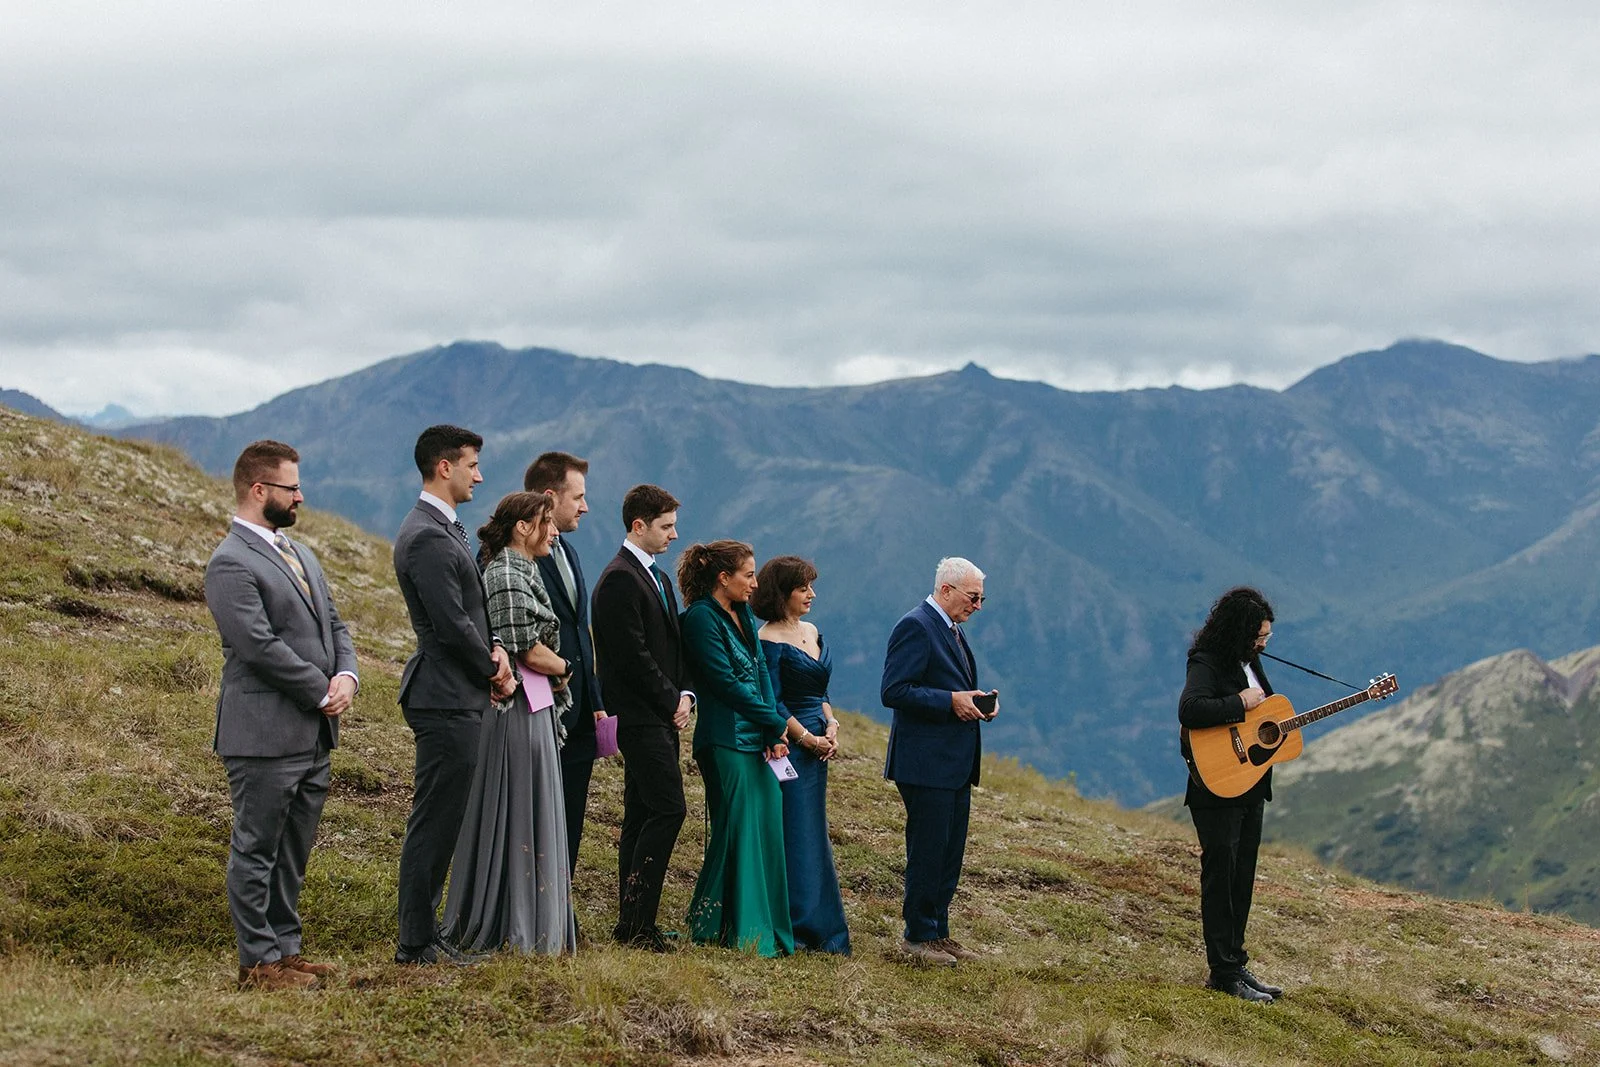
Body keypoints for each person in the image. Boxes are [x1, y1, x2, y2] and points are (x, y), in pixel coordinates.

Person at [203, 439, 357, 990]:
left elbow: (335, 625)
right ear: (259, 489)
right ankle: (257, 964)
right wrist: (320, 690)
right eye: (292, 487)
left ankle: (285, 950)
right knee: (256, 848)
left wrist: (347, 676)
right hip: (264, 734)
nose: (301, 496)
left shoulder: (302, 554)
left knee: (292, 852)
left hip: (313, 734)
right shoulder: (230, 562)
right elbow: (258, 646)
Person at [393, 425, 515, 965]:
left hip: (455, 692)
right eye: (472, 464)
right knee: (435, 819)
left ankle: (426, 935)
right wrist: (494, 666)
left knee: (444, 818)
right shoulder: (426, 535)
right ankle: (415, 941)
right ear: (445, 467)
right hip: (443, 695)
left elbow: (468, 617)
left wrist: (491, 649)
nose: (479, 475)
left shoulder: (443, 529)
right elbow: (449, 623)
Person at [439, 491, 578, 955]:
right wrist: (565, 668)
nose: (554, 531)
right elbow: (522, 646)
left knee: (533, 802)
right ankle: (511, 919)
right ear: (523, 527)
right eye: (546, 522)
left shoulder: (524, 570)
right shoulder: (504, 572)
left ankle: (533, 921)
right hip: (515, 707)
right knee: (518, 803)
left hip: (533, 705)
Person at [590, 484, 695, 951]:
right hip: (638, 716)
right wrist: (671, 698)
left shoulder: (656, 577)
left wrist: (685, 693)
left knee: (639, 813)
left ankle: (632, 922)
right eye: (666, 526)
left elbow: (669, 646)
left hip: (660, 713)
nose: (675, 534)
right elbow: (629, 654)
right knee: (669, 808)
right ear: (639, 526)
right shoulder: (619, 578)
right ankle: (638, 922)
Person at [679, 542, 795, 957]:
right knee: (737, 828)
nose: (755, 583)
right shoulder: (699, 618)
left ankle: (763, 925)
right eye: (748, 574)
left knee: (765, 825)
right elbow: (723, 683)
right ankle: (729, 925)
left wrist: (771, 730)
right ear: (723, 578)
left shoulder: (742, 612)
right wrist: (774, 720)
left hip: (756, 736)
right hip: (724, 739)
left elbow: (761, 668)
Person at [881, 557, 998, 967]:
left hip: (953, 764)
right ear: (946, 590)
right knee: (928, 851)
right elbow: (894, 690)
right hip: (925, 763)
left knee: (949, 852)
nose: (978, 605)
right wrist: (951, 702)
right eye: (973, 597)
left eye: (981, 597)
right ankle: (918, 936)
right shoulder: (915, 625)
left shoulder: (951, 629)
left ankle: (939, 931)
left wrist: (975, 702)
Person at [1179, 586, 1282, 1004]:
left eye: (1266, 637)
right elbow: (1190, 709)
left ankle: (1236, 963)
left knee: (1242, 877)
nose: (1263, 643)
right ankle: (1222, 973)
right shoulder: (1206, 663)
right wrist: (1239, 702)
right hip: (1215, 788)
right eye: (1259, 636)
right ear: (1239, 632)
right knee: (1220, 878)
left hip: (1250, 785)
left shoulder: (1250, 662)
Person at [754, 555, 851, 955]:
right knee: (795, 829)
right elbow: (773, 701)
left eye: (811, 586)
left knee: (814, 827)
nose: (811, 594)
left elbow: (821, 692)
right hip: (791, 742)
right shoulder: (767, 638)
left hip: (818, 738)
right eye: (802, 588)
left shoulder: (812, 630)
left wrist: (831, 725)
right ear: (783, 594)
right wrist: (807, 738)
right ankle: (797, 922)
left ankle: (824, 925)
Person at [523, 452, 605, 881]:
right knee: (537, 809)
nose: (585, 507)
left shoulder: (569, 552)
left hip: (580, 712)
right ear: (551, 497)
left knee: (573, 809)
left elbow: (580, 627)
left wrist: (595, 699)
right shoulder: (519, 556)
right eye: (579, 497)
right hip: (541, 704)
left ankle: (560, 900)